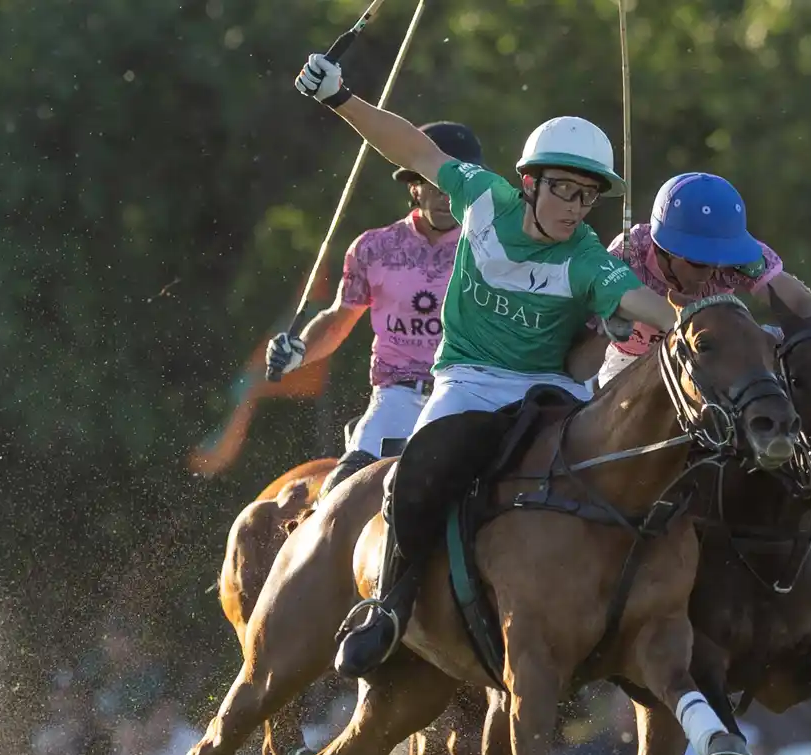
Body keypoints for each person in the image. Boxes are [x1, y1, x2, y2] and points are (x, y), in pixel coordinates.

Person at [294, 52, 683, 677]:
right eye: (562, 189)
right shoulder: (481, 196)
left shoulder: (587, 257)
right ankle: (390, 608)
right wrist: (342, 98)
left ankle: (606, 618)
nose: (574, 207)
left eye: (586, 196)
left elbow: (644, 302)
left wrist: (694, 329)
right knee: (414, 471)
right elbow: (411, 149)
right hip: (468, 383)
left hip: (550, 390)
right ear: (529, 182)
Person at [595, 172, 811, 637]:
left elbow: (799, 300)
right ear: (664, 249)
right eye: (700, 264)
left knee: (782, 436)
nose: (713, 272)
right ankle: (607, 573)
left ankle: (809, 571)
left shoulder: (737, 254)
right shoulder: (626, 255)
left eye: (722, 260)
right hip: (637, 372)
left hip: (719, 374)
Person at [266, 122, 486, 497]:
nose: (445, 195)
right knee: (341, 494)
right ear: (413, 185)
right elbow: (338, 320)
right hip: (397, 398)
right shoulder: (374, 248)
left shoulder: (492, 248)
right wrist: (300, 351)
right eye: (434, 181)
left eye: (455, 183)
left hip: (468, 394)